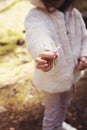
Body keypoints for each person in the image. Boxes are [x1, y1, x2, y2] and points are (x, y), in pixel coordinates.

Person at [25, 0, 87, 130]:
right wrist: (44, 50)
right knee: (52, 111)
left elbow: (84, 38)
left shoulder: (75, 15)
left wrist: (84, 55)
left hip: (72, 73)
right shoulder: (36, 15)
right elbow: (37, 34)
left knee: (65, 103)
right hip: (51, 78)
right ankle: (51, 126)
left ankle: (59, 125)